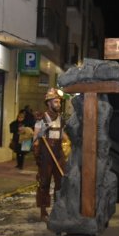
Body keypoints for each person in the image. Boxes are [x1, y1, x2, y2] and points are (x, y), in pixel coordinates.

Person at [33, 88, 67, 222]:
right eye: (56, 102)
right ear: (49, 103)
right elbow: (35, 140)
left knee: (60, 182)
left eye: (59, 102)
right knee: (45, 183)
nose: (58, 104)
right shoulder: (42, 118)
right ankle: (43, 211)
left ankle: (58, 209)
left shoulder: (60, 118)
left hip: (58, 153)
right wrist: (38, 137)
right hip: (46, 154)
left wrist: (69, 141)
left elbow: (63, 135)